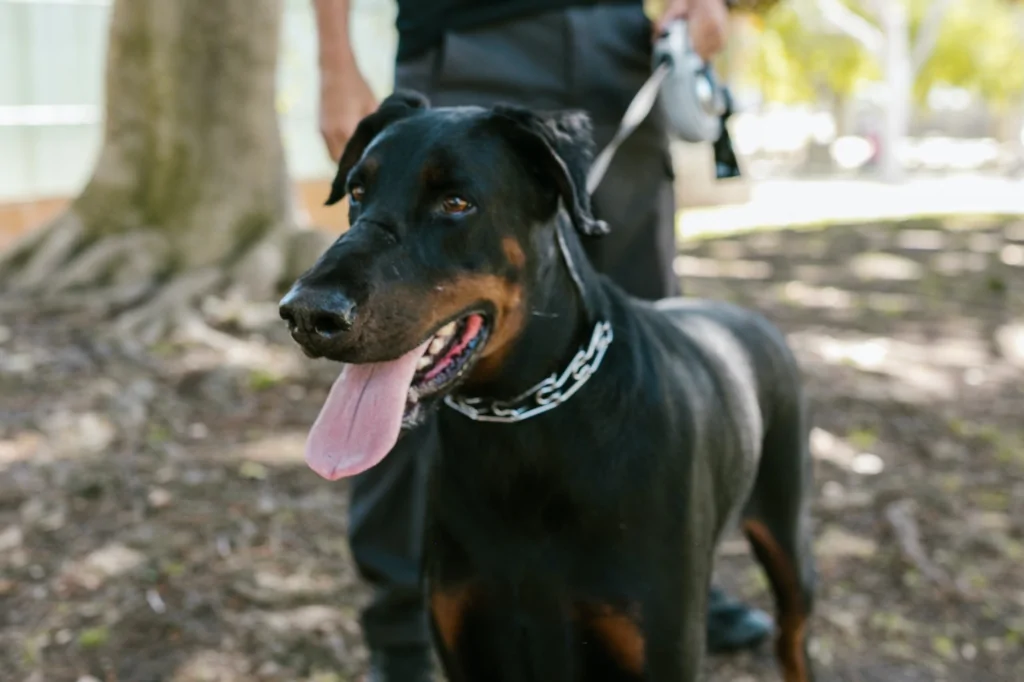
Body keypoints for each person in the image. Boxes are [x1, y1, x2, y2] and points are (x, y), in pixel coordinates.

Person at [312, 1, 777, 679]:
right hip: (466, 37)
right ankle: (403, 629)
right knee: (402, 327)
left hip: (619, 41)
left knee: (649, 348)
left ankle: (670, 582)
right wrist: (334, 58)